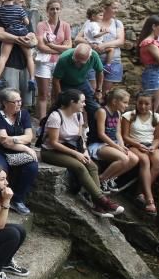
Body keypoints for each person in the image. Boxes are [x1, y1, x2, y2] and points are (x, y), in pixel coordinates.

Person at [39, 89, 124, 217]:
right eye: (82, 102)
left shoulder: (78, 115)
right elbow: (53, 142)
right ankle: (103, 201)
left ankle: (97, 205)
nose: (84, 104)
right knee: (79, 167)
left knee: (93, 166)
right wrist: (76, 154)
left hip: (71, 149)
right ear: (72, 102)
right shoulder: (56, 116)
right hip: (51, 151)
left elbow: (79, 138)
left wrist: (84, 152)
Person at [0, 88, 39, 215]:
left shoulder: (23, 114)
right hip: (0, 151)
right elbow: (4, 142)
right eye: (15, 101)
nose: (19, 104)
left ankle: (17, 199)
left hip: (17, 151)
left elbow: (29, 137)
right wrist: (25, 147)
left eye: (20, 101)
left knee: (32, 166)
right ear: (5, 103)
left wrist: (12, 139)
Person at [88, 88, 140, 193]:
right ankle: (101, 179)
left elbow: (117, 133)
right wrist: (117, 147)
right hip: (98, 144)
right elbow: (101, 134)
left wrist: (121, 145)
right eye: (124, 102)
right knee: (124, 159)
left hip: (112, 144)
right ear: (114, 101)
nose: (126, 105)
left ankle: (110, 178)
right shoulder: (102, 111)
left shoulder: (117, 113)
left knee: (134, 159)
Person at [121, 91, 159, 215]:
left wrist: (153, 147)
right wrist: (138, 145)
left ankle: (140, 192)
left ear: (152, 104)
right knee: (144, 161)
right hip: (134, 144)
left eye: (147, 104)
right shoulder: (129, 115)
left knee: (158, 162)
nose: (143, 106)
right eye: (140, 103)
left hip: (150, 145)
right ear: (136, 103)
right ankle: (150, 199)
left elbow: (157, 138)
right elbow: (125, 136)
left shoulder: (156, 118)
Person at [34, 0, 72, 120]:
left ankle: (55, 119)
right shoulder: (41, 25)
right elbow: (40, 46)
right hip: (44, 62)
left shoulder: (65, 26)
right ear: (47, 11)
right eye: (52, 9)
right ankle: (42, 121)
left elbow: (69, 46)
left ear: (60, 10)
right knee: (43, 94)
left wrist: (51, 46)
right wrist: (59, 49)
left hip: (60, 62)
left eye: (57, 9)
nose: (54, 11)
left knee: (57, 93)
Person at [0, 0, 37, 87]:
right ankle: (32, 78)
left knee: (3, 57)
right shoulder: (20, 11)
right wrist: (21, 38)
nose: (24, 4)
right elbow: (0, 35)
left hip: (11, 32)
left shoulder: (1, 10)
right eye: (21, 1)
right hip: (11, 64)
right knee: (29, 57)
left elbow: (35, 40)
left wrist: (32, 41)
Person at [80, 0, 125, 94]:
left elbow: (120, 41)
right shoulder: (90, 22)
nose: (116, 10)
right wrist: (91, 44)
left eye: (117, 8)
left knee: (106, 93)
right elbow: (78, 39)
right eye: (114, 8)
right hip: (93, 60)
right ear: (105, 8)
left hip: (113, 61)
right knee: (92, 92)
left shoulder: (117, 23)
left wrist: (103, 45)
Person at [51, 44, 104, 118]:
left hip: (82, 82)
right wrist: (60, 97)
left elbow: (100, 72)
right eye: (75, 61)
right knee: (65, 107)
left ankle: (92, 128)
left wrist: (98, 90)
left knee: (94, 107)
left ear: (89, 57)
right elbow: (56, 80)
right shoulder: (64, 58)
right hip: (66, 83)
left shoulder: (94, 56)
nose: (77, 64)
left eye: (81, 63)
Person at [137, 14, 159, 113]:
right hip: (153, 76)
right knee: (150, 110)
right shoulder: (149, 43)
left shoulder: (153, 42)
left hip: (158, 75)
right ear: (153, 26)